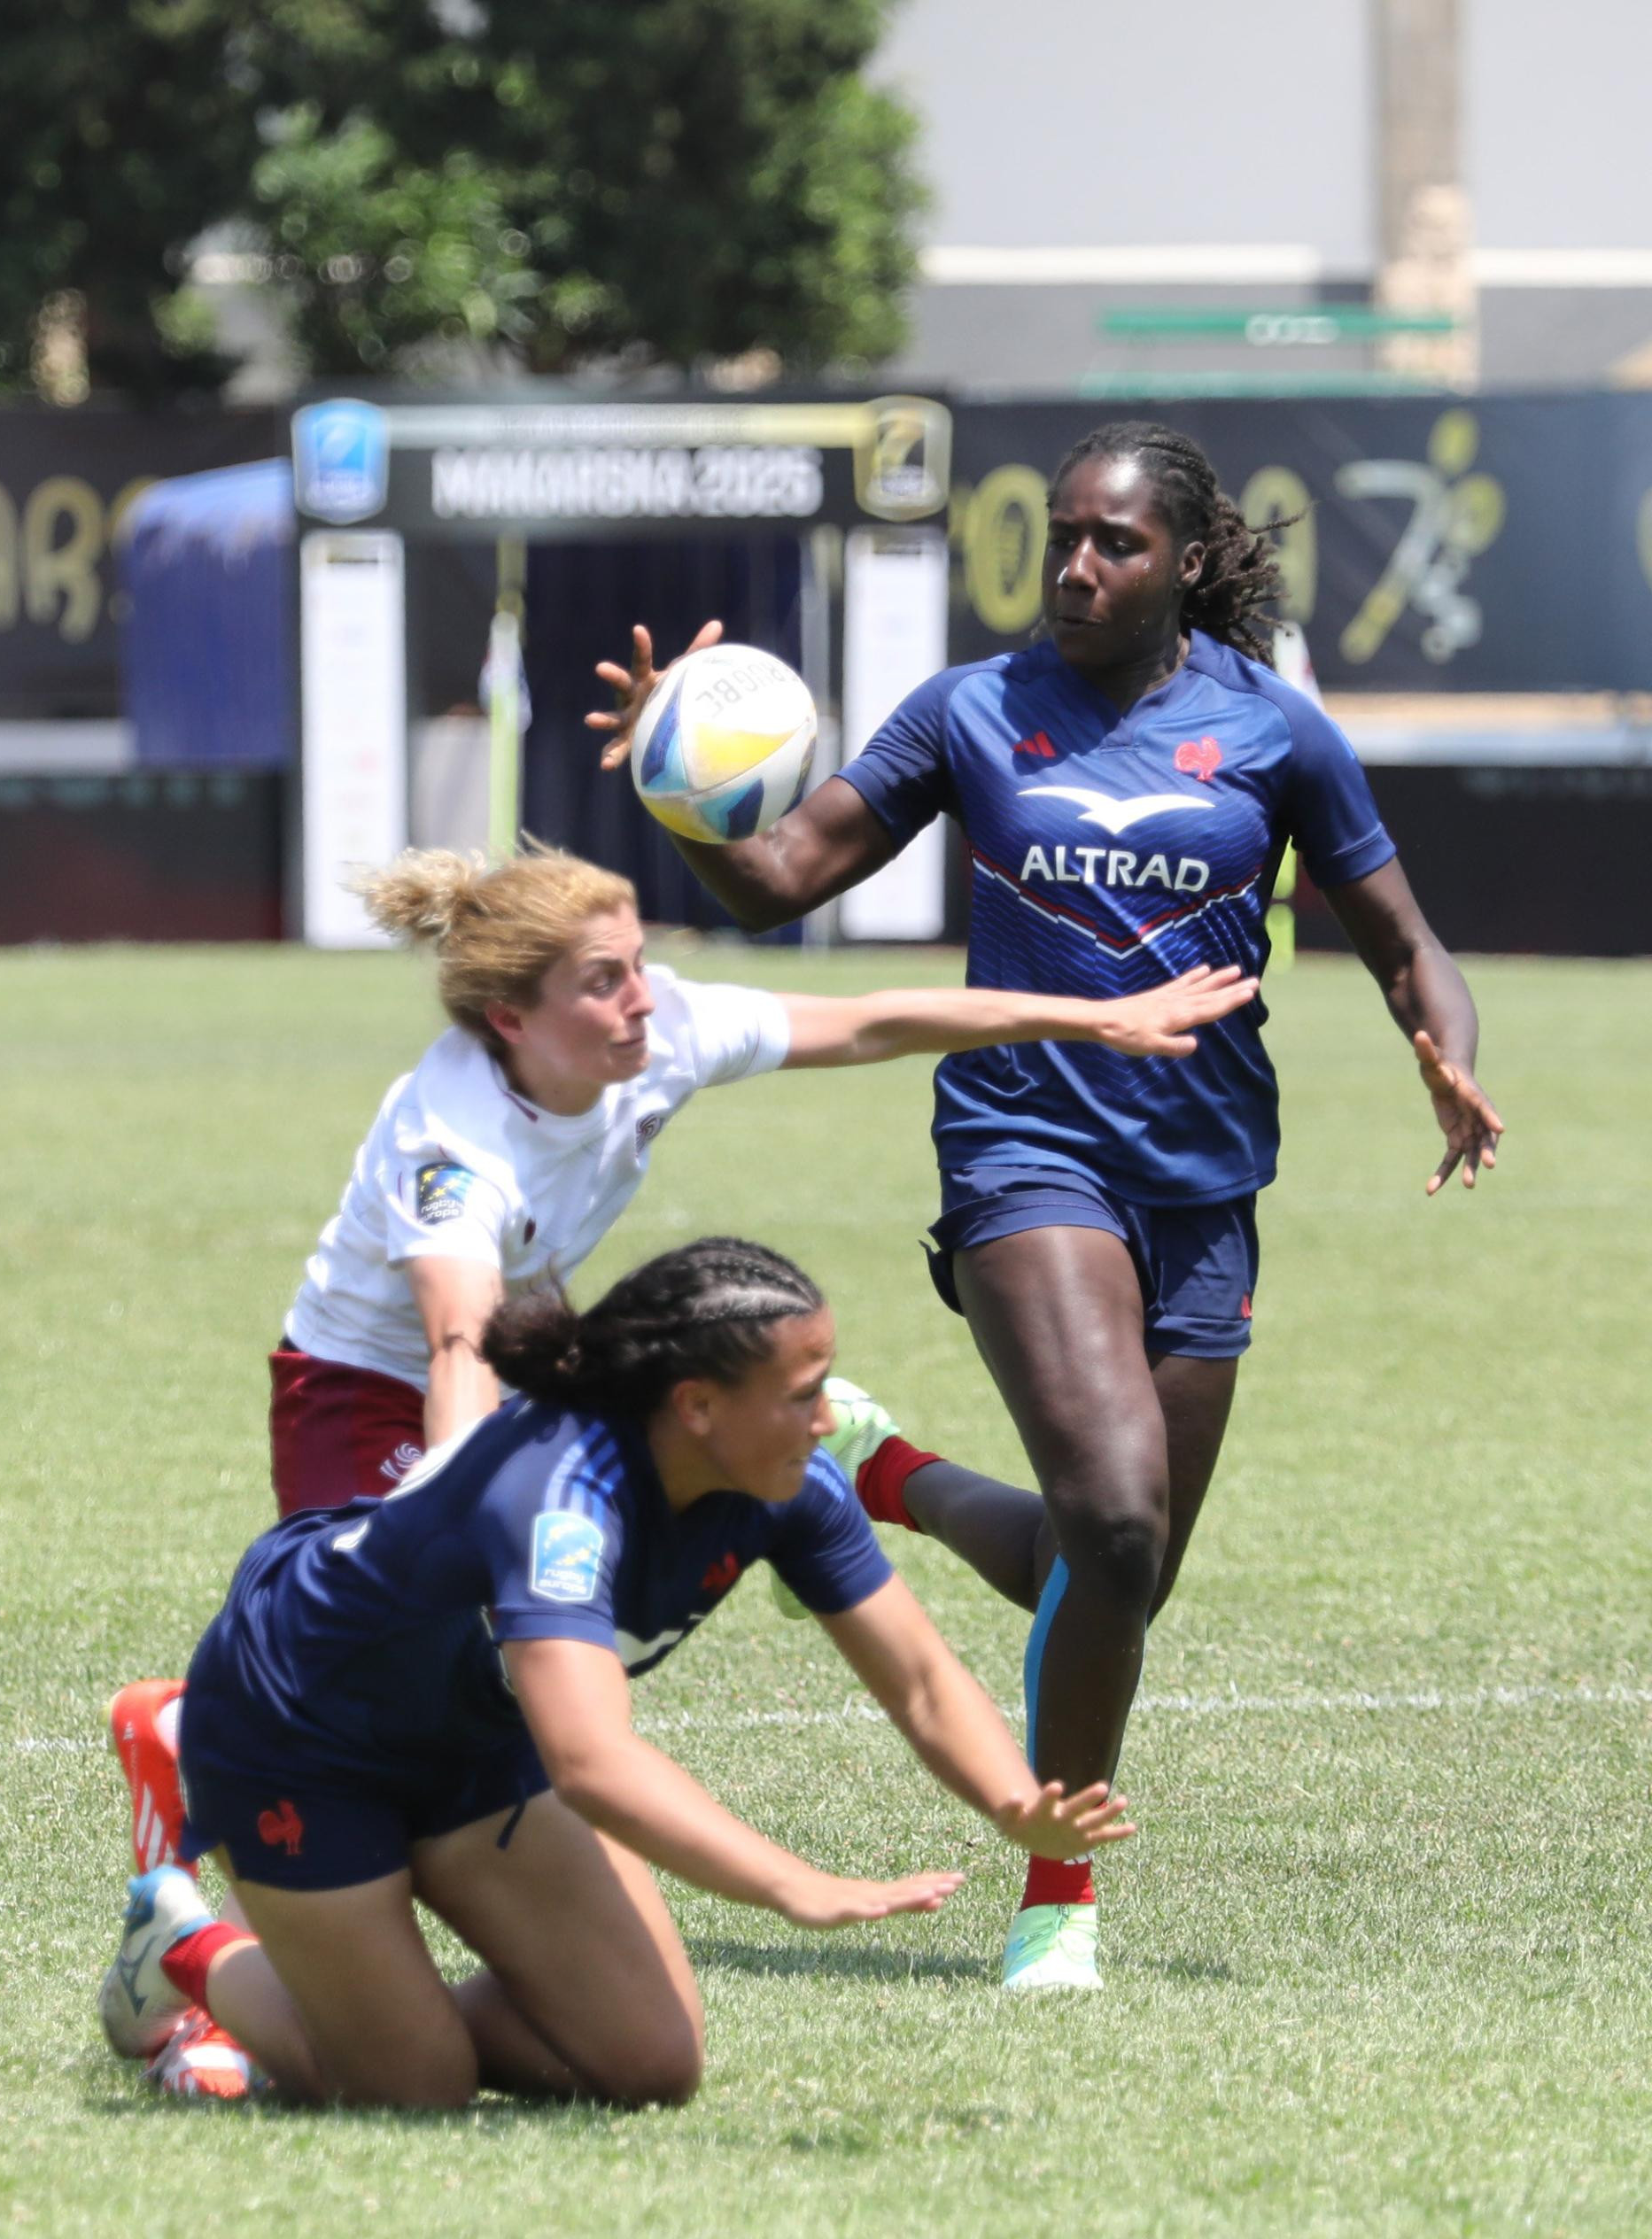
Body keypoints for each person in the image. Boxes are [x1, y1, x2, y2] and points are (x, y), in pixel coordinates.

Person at [588, 417, 1505, 1996]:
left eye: (1114, 544)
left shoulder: (1273, 731)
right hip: (1024, 1152)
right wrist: (687, 795)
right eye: (1064, 537)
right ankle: (1057, 1898)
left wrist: (1449, 1056)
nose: (1074, 568)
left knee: (1118, 1563)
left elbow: (1408, 943)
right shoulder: (973, 711)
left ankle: (882, 1472)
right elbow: (785, 876)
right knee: (1118, 1517)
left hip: (1207, 1181)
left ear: (1186, 563)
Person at [104, 837, 1248, 2083]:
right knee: (400, 1660)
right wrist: (479, 1508)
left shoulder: (664, 1034)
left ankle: (375, 1942)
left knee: (606, 1993)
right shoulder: (452, 1146)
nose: (642, 999)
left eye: (639, 964)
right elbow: (457, 1342)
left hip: (533, 1372)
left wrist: (1094, 1018)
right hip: (369, 1389)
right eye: (603, 981)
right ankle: (237, 1919)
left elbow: (873, 1020)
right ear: (511, 1019)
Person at [97, 1241, 1136, 2110]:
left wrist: (1014, 1803)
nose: (828, 1421)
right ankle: (183, 1950)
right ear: (697, 1406)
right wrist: (797, 1886)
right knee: (415, 2091)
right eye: (802, 1395)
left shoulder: (792, 1487)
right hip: (299, 1727)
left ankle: (368, 2010)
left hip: (475, 1733)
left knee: (648, 2065)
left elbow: (920, 1681)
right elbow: (592, 1762)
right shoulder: (561, 1496)